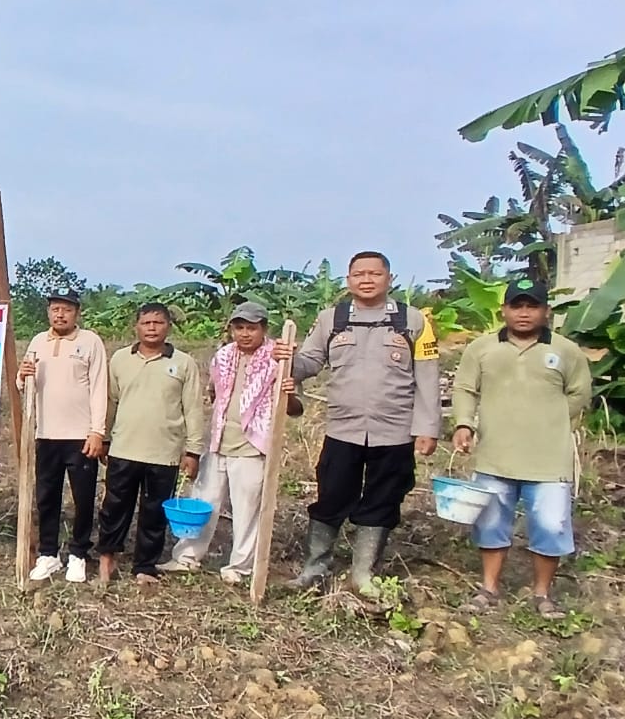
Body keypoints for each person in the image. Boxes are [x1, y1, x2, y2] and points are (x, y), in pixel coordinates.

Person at [276, 251, 440, 594]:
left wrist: (428, 428)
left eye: (374, 274)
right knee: (331, 497)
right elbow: (310, 363)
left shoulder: (413, 320)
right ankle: (314, 568)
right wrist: (287, 360)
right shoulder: (331, 319)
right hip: (343, 429)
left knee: (383, 500)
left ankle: (363, 574)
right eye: (359, 274)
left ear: (389, 279)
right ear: (348, 280)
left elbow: (427, 377)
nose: (367, 280)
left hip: (394, 432)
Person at [451, 279, 591, 619]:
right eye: (517, 306)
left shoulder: (566, 351)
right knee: (490, 523)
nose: (524, 313)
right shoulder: (482, 349)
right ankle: (489, 589)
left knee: (551, 526)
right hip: (495, 456)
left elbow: (580, 394)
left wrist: (551, 420)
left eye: (532, 306)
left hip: (549, 459)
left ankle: (542, 594)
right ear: (505, 310)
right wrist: (464, 424)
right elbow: (465, 388)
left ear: (546, 311)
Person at [161, 303, 300, 583]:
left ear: (264, 329)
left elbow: (295, 408)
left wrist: (287, 392)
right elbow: (215, 394)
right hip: (219, 443)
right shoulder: (223, 357)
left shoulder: (279, 360)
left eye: (252, 328)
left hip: (252, 447)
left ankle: (239, 567)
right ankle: (186, 558)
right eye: (239, 328)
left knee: (246, 511)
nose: (245, 334)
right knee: (204, 503)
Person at [96, 303, 204, 585]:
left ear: (168, 326)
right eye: (146, 323)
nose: (152, 328)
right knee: (114, 507)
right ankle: (107, 558)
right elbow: (110, 401)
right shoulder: (120, 359)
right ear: (137, 327)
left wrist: (193, 451)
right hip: (123, 448)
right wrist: (104, 437)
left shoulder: (184, 363)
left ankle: (144, 566)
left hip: (164, 452)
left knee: (154, 511)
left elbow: (193, 409)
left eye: (158, 323)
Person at [16, 286, 109, 583]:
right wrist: (22, 375)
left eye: (67, 309)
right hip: (46, 434)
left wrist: (97, 432)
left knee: (83, 498)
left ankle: (78, 554)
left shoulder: (90, 342)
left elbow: (99, 388)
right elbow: (24, 384)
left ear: (77, 313)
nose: (60, 314)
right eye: (55, 309)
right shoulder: (38, 342)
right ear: (48, 312)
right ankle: (48, 554)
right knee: (46, 497)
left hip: (80, 436)